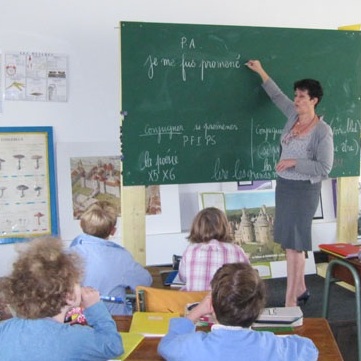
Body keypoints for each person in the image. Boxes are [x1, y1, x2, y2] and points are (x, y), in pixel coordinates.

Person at [245, 60, 334, 307]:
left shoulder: (322, 132)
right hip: (284, 187)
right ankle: (302, 288)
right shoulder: (293, 116)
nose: (296, 100)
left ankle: (290, 301)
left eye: (302, 96)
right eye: (295, 95)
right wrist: (260, 70)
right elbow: (276, 95)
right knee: (288, 242)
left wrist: (294, 161)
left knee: (295, 247)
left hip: (304, 190)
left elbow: (324, 168)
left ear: (314, 100)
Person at [158, 262, 318, 361]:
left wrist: (196, 312)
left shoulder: (192, 347)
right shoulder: (273, 346)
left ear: (211, 305)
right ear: (259, 310)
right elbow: (309, 348)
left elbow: (167, 345)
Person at [0, 237, 123, 361]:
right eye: (77, 283)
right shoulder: (76, 338)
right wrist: (95, 307)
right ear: (69, 296)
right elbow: (113, 346)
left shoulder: (5, 329)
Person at [70, 200, 152, 315]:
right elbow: (145, 282)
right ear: (113, 231)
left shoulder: (68, 254)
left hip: (77, 322)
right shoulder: (121, 257)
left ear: (81, 225)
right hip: (114, 323)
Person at [178, 207, 249, 291]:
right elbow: (248, 277)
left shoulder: (190, 250)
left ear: (196, 228)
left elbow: (182, 278)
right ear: (225, 227)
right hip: (224, 302)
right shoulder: (237, 251)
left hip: (196, 302)